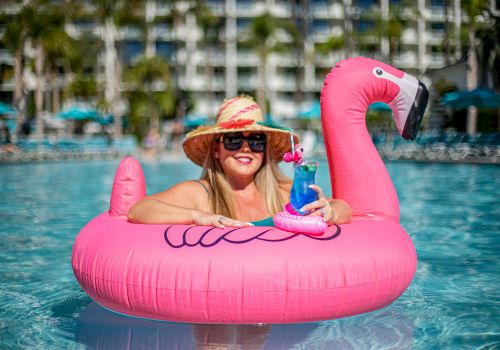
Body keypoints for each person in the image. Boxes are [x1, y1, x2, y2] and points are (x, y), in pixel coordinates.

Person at [128, 95, 351, 227]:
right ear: (216, 149)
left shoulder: (283, 192)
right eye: (234, 139)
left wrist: (328, 213)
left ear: (264, 149)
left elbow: (343, 207)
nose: (246, 148)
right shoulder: (199, 194)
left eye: (256, 140)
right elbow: (139, 209)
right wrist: (196, 216)